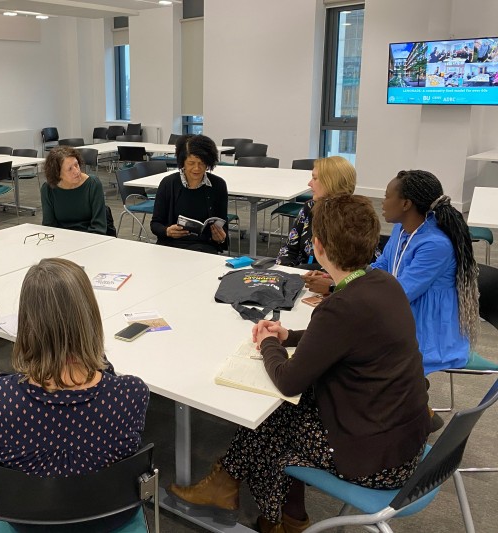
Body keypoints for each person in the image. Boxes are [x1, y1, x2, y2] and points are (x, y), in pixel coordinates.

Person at [168, 195, 430, 533]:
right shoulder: (383, 284)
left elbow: (289, 380)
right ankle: (241, 492)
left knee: (269, 427)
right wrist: (287, 334)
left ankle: (272, 518)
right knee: (277, 418)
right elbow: (340, 336)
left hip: (376, 460)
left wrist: (267, 344)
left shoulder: (339, 307)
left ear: (318, 246)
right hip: (405, 439)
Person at [0, 258, 149, 531]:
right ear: (90, 317)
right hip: (110, 519)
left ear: (27, 323)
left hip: (25, 521)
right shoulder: (130, 394)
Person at [372, 170, 479, 374]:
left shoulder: (435, 244)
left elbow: (402, 292)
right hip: (400, 312)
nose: (382, 203)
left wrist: (345, 288)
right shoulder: (401, 229)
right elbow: (382, 266)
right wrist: (346, 280)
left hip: (430, 333)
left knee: (357, 354)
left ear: (406, 204)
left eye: (387, 196)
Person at [150, 134, 228, 254]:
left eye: (202, 163)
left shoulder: (218, 185)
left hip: (204, 247)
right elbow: (155, 224)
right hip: (171, 246)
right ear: (183, 162)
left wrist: (221, 238)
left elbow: (223, 226)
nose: (196, 168)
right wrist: (167, 231)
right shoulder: (168, 184)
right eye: (191, 163)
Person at [276, 156, 357, 267]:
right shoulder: (309, 207)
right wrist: (287, 272)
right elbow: (289, 249)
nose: (309, 183)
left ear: (330, 182)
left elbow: (352, 267)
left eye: (314, 178)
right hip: (303, 276)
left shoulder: (356, 216)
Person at [40, 146, 107, 234]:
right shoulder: (48, 189)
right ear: (57, 173)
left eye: (76, 165)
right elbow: (49, 225)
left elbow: (99, 227)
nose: (76, 171)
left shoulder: (93, 185)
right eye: (70, 169)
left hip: (90, 238)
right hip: (61, 240)